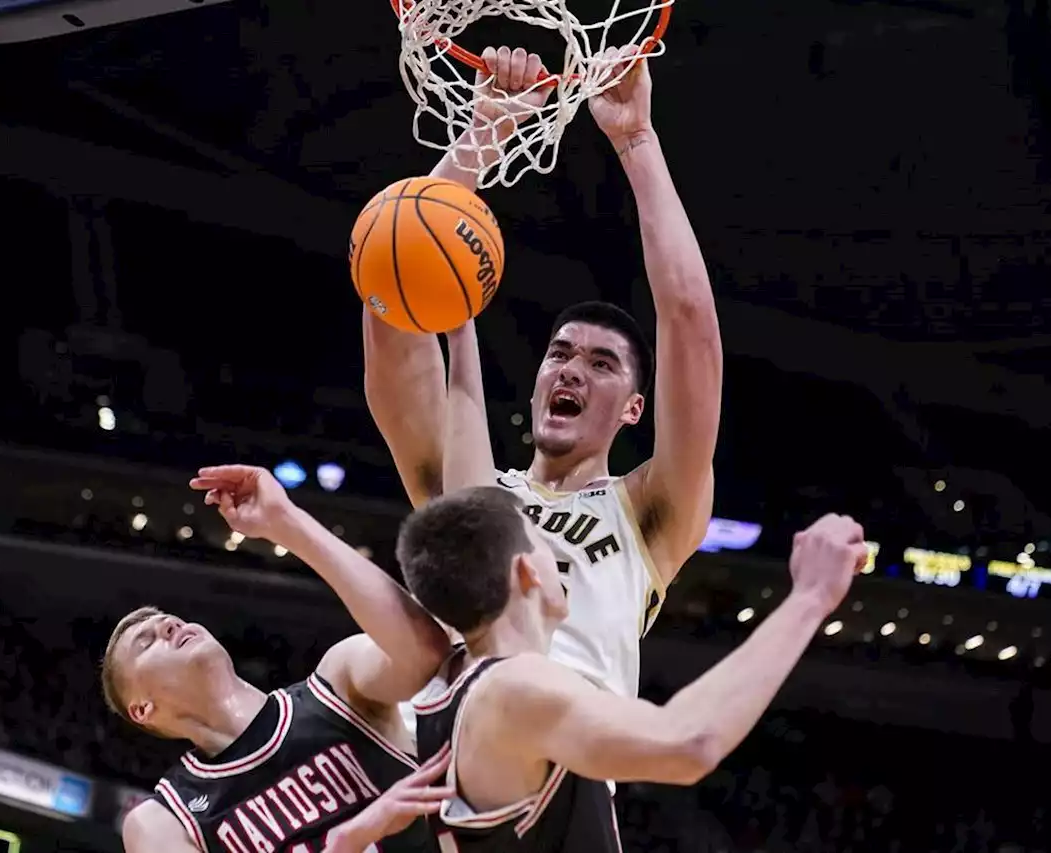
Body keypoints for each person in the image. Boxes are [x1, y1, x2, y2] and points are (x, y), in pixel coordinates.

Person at [364, 45, 722, 701]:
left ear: (634, 408)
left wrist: (637, 141)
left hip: (568, 768)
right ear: (535, 384)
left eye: (601, 363)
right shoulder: (467, 488)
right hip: (448, 757)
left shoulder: (648, 511)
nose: (573, 370)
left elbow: (692, 322)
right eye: (560, 354)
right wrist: (484, 133)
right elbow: (392, 304)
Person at [397, 486, 868, 851]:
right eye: (547, 545)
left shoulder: (450, 680)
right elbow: (689, 741)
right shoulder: (513, 686)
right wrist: (810, 597)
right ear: (528, 572)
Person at [111, 465, 453, 853]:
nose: (169, 625)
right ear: (142, 708)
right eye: (146, 641)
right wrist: (348, 842)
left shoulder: (336, 685)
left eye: (169, 620)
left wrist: (285, 522)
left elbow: (425, 650)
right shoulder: (163, 821)